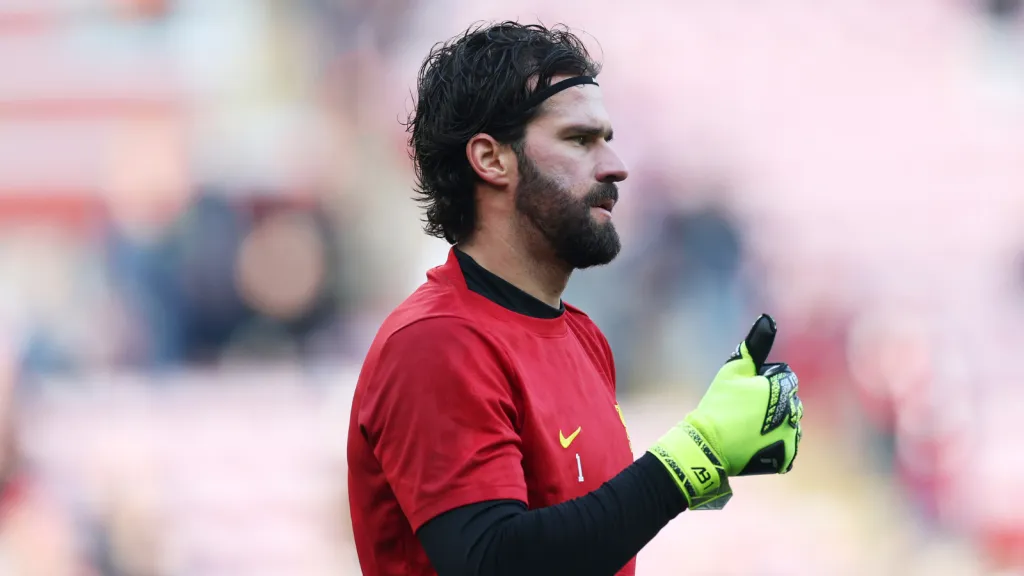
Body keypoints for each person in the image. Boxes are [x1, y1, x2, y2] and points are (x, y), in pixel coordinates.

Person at [346, 21, 805, 576]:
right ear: (491, 159)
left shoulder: (583, 337)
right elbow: (493, 560)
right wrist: (697, 454)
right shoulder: (436, 340)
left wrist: (719, 451)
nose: (615, 166)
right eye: (579, 139)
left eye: (607, 138)